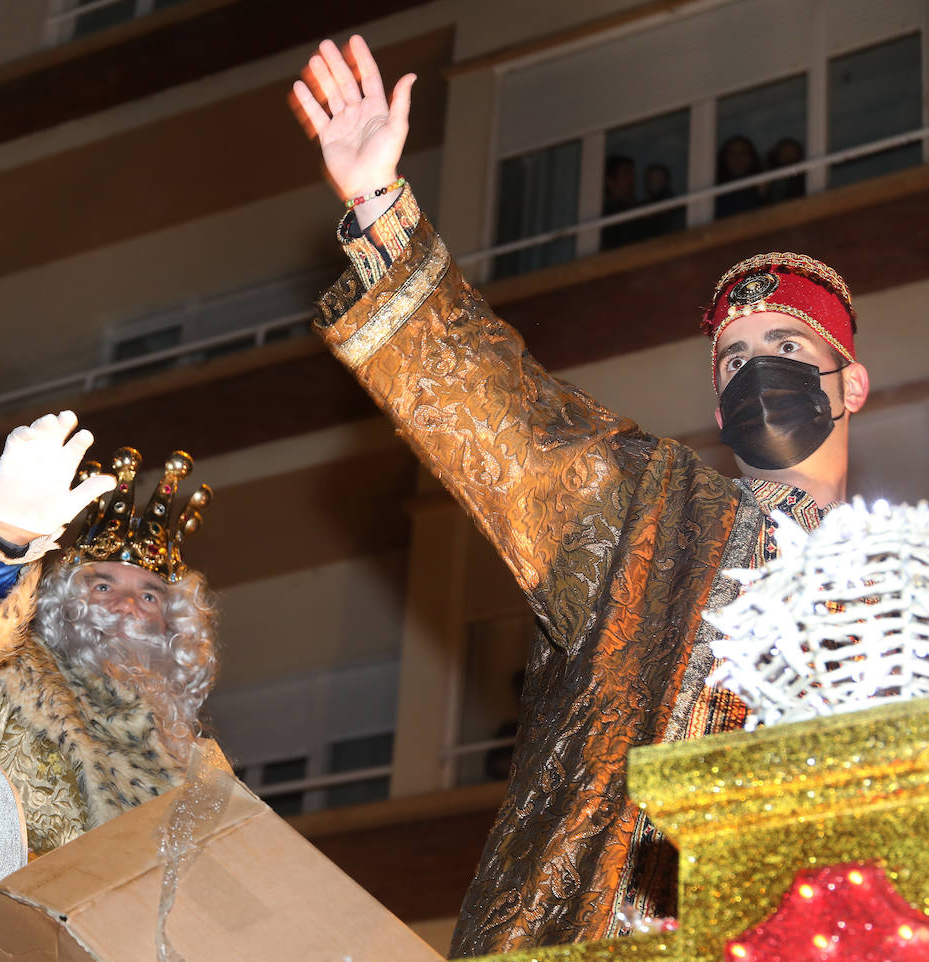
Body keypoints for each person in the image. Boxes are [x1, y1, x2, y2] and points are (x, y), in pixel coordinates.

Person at [291, 36, 870, 953]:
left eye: (789, 350)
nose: (759, 369)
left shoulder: (910, 598)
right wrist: (377, 203)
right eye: (735, 359)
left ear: (853, 385)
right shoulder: (647, 514)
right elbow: (495, 409)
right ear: (719, 405)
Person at [0, 412, 218, 856]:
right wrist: (1, 547)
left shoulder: (202, 772)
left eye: (149, 597)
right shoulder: (11, 669)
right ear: (62, 603)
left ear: (175, 629)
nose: (126, 606)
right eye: (103, 586)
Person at [715, 134, 765, 218]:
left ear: (752, 158)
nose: (738, 158)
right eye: (732, 154)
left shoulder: (762, 184)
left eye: (743, 153)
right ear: (724, 159)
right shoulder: (715, 188)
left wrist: (763, 196)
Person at [600, 154, 637, 249]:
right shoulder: (605, 214)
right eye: (626, 174)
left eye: (632, 174)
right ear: (609, 181)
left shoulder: (637, 210)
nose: (631, 179)